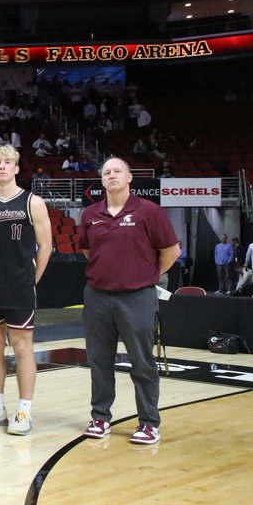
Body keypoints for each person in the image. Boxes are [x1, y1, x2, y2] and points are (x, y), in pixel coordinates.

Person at [79, 157, 179, 445]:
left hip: (137, 297)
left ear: (129, 177)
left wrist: (146, 275)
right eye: (107, 172)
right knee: (99, 361)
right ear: (102, 180)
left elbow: (171, 251)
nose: (112, 175)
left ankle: (149, 423)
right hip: (97, 296)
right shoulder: (90, 214)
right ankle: (100, 417)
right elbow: (88, 250)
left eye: (117, 171)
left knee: (142, 362)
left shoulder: (149, 211)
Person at [0, 145, 52, 436]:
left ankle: (24, 410)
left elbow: (46, 247)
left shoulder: (33, 202)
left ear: (17, 168)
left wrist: (32, 280)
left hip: (20, 288)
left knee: (22, 348)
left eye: (7, 162)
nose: (2, 166)